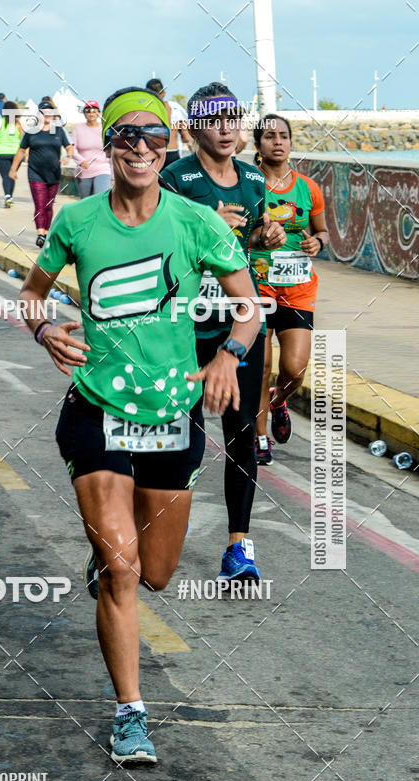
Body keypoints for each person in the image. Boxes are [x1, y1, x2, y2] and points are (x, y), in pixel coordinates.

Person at [18, 86, 260, 764]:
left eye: (155, 138)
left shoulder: (195, 224)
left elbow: (249, 309)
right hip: (95, 410)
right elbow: (32, 296)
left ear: (171, 143)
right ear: (110, 142)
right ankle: (131, 714)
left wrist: (228, 359)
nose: (141, 149)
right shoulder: (78, 222)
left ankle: (110, 560)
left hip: (170, 417)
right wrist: (43, 332)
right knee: (123, 570)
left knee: (154, 573)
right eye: (127, 136)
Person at [163, 82, 286, 583]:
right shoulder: (174, 178)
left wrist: (264, 236)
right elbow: (155, 242)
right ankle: (140, 531)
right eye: (215, 120)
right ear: (194, 127)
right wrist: (203, 223)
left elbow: (249, 245)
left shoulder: (255, 181)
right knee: (182, 440)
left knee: (241, 436)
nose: (227, 129)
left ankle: (239, 547)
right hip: (184, 327)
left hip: (239, 322)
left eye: (233, 119)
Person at [251, 115, 329, 465]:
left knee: (295, 369)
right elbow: (234, 234)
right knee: (261, 364)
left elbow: (323, 232)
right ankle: (260, 437)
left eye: (283, 136)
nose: (277, 142)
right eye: (269, 136)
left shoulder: (308, 188)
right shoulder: (249, 186)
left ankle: (279, 401)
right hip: (257, 286)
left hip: (297, 288)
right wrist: (258, 237)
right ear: (258, 145)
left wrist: (318, 244)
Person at [9, 100, 73, 246]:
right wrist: (13, 169)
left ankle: (46, 233)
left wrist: (67, 157)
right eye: (45, 112)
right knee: (39, 204)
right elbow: (21, 150)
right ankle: (40, 233)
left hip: (54, 174)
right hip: (35, 173)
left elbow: (69, 147)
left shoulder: (59, 130)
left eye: (51, 112)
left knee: (49, 205)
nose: (48, 114)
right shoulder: (31, 131)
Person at [145, 78, 194, 169]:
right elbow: (186, 136)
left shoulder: (144, 110)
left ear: (147, 94)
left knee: (155, 182)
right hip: (172, 153)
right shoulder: (174, 108)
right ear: (163, 93)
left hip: (153, 155)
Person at [72, 100, 111, 198]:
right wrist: (81, 161)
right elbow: (72, 148)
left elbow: (111, 149)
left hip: (103, 169)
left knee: (100, 198)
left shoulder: (105, 129)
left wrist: (114, 172)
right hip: (83, 171)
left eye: (94, 110)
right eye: (88, 111)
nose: (91, 113)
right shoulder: (78, 128)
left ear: (99, 113)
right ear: (84, 113)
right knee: (85, 202)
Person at [0, 101, 21, 207]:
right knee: (11, 175)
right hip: (15, 153)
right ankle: (9, 197)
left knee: (6, 176)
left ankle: (8, 196)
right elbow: (22, 139)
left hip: (0, 152)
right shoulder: (18, 124)